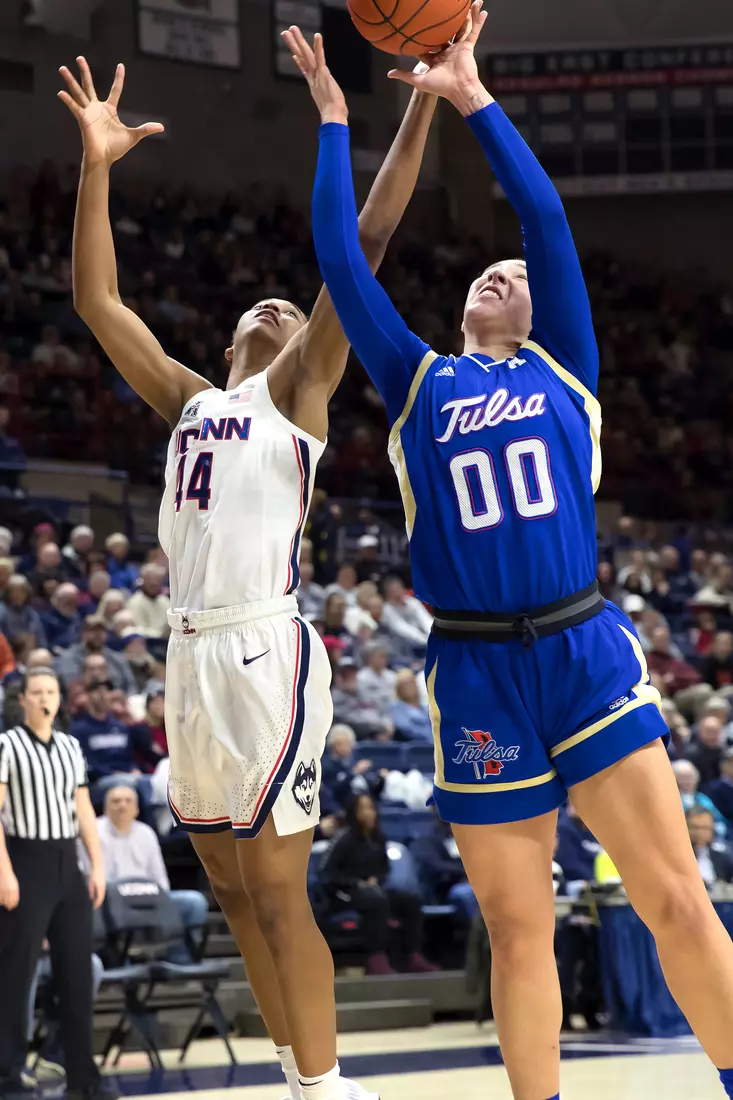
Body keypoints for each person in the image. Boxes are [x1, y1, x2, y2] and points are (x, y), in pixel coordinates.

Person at [296, 9, 733, 1097]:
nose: (499, 274)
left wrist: (472, 97)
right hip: (474, 666)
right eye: (481, 272)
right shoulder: (417, 379)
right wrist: (334, 125)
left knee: (674, 895)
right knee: (515, 921)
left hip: (579, 645)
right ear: (456, 306)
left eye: (512, 273)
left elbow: (541, 218)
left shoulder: (565, 366)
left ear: (542, 309)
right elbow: (342, 261)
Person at [59, 49, 436, 1100]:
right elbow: (97, 298)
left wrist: (415, 103)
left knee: (277, 892)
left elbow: (362, 243)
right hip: (187, 656)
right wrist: (97, 165)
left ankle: (328, 1087)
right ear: (230, 339)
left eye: (289, 307)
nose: (278, 308)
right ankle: (292, 1071)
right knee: (229, 895)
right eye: (261, 308)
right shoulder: (187, 401)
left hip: (264, 646)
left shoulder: (300, 390)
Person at [0, 668, 113, 1100]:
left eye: (51, 691)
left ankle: (83, 1078)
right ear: (23, 700)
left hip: (68, 862)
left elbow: (84, 811)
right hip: (25, 860)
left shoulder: (70, 746)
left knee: (77, 974)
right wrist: (4, 871)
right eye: (37, 692)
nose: (45, 698)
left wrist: (97, 866)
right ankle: (7, 1077)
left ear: (60, 698)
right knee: (16, 973)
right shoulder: (7, 745)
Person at [319, 794, 438, 976]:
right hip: (342, 893)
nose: (368, 813)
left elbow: (384, 869)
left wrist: (376, 880)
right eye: (362, 809)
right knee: (377, 901)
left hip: (373, 890)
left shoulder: (379, 838)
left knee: (410, 900)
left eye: (371, 808)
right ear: (353, 813)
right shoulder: (344, 839)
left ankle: (414, 955)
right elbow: (327, 874)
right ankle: (376, 958)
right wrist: (357, 883)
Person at [96, 784, 208, 961]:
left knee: (194, 902)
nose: (122, 805)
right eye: (116, 801)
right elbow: (91, 877)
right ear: (106, 807)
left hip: (148, 898)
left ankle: (180, 962)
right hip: (110, 902)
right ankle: (119, 965)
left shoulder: (146, 833)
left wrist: (155, 899)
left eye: (128, 801)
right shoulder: (94, 832)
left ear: (136, 808)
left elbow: (161, 880)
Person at [687, 808, 733, 888]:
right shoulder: (677, 858)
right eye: (695, 827)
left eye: (705, 828)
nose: (700, 833)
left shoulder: (723, 859)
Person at [125, 563, 170, 638]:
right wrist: (160, 634)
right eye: (152, 583)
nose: (155, 584)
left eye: (158, 582)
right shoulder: (135, 602)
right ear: (144, 581)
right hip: (145, 642)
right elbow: (139, 629)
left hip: (165, 642)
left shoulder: (165, 601)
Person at [389, 669, 433, 743]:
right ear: (398, 689)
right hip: (414, 747)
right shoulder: (396, 708)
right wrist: (429, 737)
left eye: (411, 683)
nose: (409, 687)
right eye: (405, 684)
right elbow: (405, 728)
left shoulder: (426, 708)